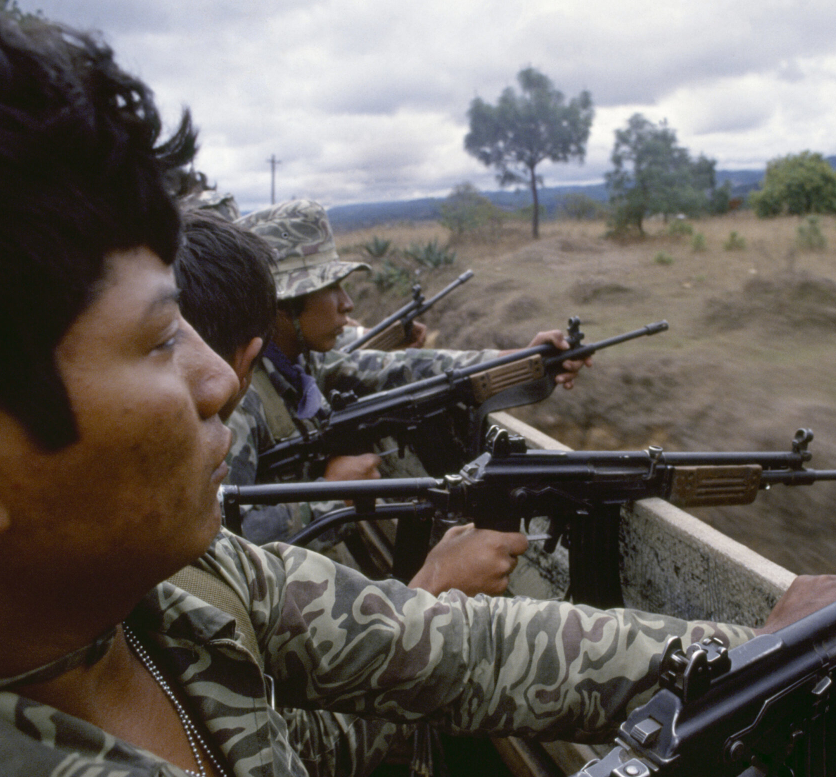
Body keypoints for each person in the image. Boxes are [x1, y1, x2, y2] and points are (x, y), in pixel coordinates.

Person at [0, 0, 836, 777]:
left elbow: (442, 648)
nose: (219, 375)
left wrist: (731, 658)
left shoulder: (159, 579)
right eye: (153, 338)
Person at [228, 198, 591, 568]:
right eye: (331, 287)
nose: (347, 303)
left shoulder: (298, 363)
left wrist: (520, 360)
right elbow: (217, 545)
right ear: (285, 303)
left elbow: (402, 368)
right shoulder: (240, 399)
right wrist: (333, 498)